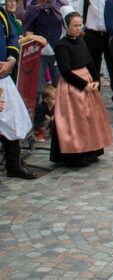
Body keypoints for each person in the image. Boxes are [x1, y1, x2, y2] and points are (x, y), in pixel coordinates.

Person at [51, 12, 113, 166]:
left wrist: (96, 80)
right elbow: (65, 71)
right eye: (75, 26)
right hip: (72, 86)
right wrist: (83, 85)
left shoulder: (81, 42)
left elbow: (90, 62)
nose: (78, 29)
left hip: (88, 83)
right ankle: (76, 155)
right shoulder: (61, 46)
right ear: (67, 26)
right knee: (75, 121)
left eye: (80, 25)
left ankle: (92, 151)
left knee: (91, 119)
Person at [0, 5, 36, 181]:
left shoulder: (1, 13)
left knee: (12, 119)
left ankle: (13, 165)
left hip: (3, 75)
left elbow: (13, 36)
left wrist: (11, 60)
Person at [23, 0, 64, 102]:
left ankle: (59, 112)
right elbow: (28, 34)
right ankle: (37, 112)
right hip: (39, 53)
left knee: (59, 82)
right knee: (38, 86)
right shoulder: (32, 9)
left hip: (57, 51)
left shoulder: (60, 7)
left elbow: (67, 27)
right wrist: (38, 39)